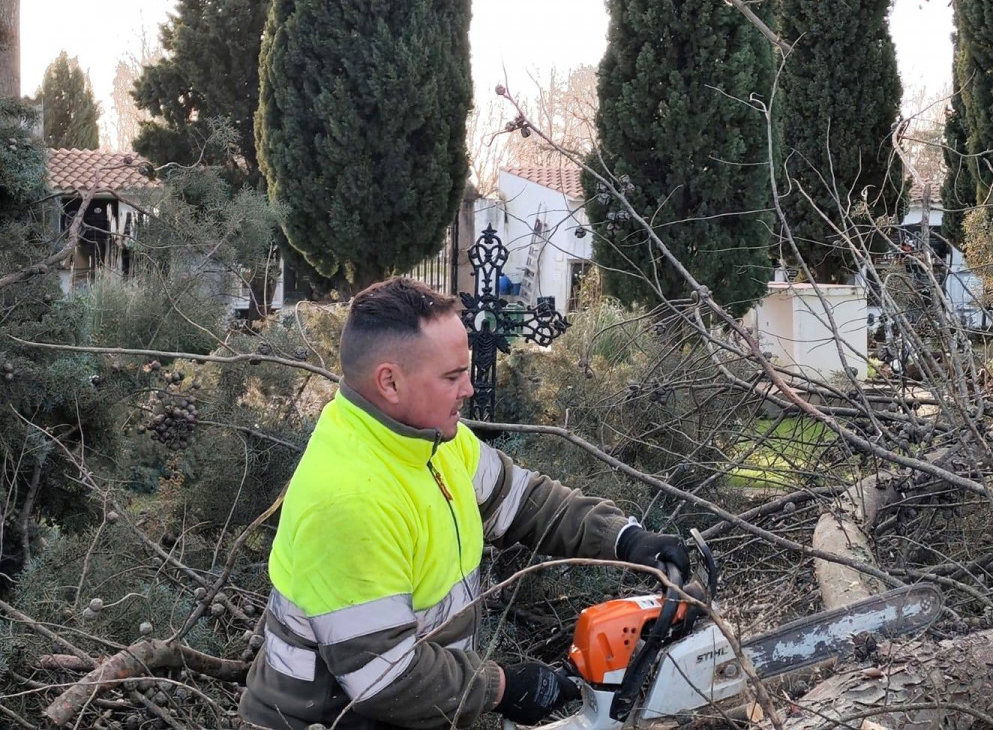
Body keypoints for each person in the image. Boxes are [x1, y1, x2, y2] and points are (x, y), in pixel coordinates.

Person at [240, 277, 690, 730]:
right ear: (390, 382)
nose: (469, 388)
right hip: (328, 720)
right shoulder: (350, 500)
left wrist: (624, 537)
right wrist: (502, 687)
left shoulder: (430, 438)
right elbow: (385, 678)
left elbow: (523, 500)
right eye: (452, 376)